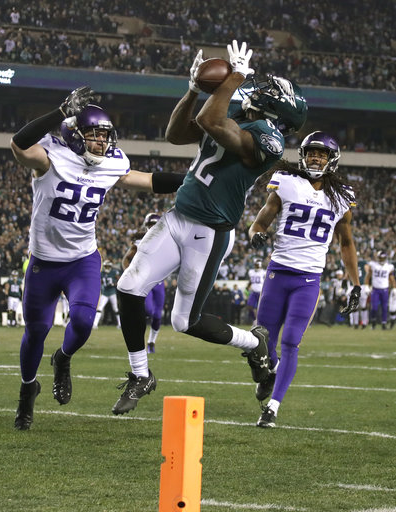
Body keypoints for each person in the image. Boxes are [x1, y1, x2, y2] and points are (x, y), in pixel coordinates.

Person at [112, 40, 308, 415]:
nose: (257, 89)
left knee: (184, 321)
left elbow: (210, 122)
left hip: (211, 231)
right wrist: (191, 90)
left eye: (268, 92)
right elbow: (177, 133)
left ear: (279, 110)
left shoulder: (271, 139)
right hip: (178, 215)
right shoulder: (233, 104)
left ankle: (255, 343)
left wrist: (232, 79)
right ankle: (141, 375)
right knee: (129, 285)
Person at [10, 86, 184, 430]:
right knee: (35, 332)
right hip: (44, 261)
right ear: (74, 135)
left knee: (83, 322)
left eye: (105, 135)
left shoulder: (111, 164)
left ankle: (63, 358)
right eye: (93, 134)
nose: (101, 142)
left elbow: (146, 180)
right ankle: (28, 391)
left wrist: (192, 181)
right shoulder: (50, 157)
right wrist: (59, 113)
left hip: (82, 260)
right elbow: (18, 143)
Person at [249, 131, 361, 428]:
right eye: (312, 152)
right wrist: (256, 234)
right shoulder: (286, 182)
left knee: (291, 342)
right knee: (263, 341)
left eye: (322, 154)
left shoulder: (341, 197)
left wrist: (356, 283)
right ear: (303, 154)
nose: (315, 157)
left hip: (308, 279)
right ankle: (268, 375)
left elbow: (346, 244)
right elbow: (261, 221)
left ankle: (272, 407)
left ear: (332, 160)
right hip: (278, 272)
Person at [122, 213, 166, 353]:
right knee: (148, 310)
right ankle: (140, 339)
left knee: (158, 315)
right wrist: (129, 273)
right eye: (150, 225)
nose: (152, 227)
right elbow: (126, 258)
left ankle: (151, 341)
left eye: (154, 225)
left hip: (158, 280)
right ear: (146, 226)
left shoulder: (168, 239)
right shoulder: (139, 239)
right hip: (144, 280)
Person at [365, 251, 395, 329]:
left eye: (383, 258)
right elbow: (368, 277)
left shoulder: (389, 266)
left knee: (385, 307)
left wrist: (394, 288)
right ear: (378, 258)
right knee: (374, 307)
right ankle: (373, 322)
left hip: (385, 289)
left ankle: (384, 324)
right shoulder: (373, 265)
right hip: (375, 290)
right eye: (381, 258)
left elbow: (392, 279)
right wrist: (366, 286)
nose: (382, 260)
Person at [93, 260, 121, 328]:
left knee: (115, 309)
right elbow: (101, 282)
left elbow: (120, 281)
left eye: (108, 266)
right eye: (106, 266)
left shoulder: (114, 272)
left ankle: (120, 324)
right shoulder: (102, 273)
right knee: (99, 308)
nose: (107, 268)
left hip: (112, 293)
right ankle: (95, 324)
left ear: (111, 267)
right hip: (105, 293)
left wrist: (114, 284)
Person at [246, 259, 266, 325]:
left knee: (261, 308)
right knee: (249, 306)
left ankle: (261, 321)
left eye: (258, 265)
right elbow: (251, 280)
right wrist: (248, 286)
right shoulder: (251, 272)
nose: (256, 266)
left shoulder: (263, 272)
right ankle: (255, 320)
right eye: (256, 265)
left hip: (260, 293)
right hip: (253, 292)